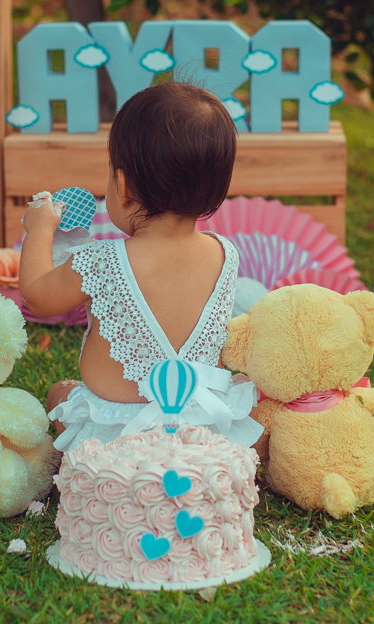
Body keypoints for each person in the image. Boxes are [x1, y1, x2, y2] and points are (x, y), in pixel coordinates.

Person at [18, 82, 262, 451]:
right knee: (242, 395)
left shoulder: (100, 261)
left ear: (123, 185)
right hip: (200, 426)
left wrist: (39, 230)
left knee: (59, 393)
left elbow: (37, 295)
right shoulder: (224, 254)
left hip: (114, 435)